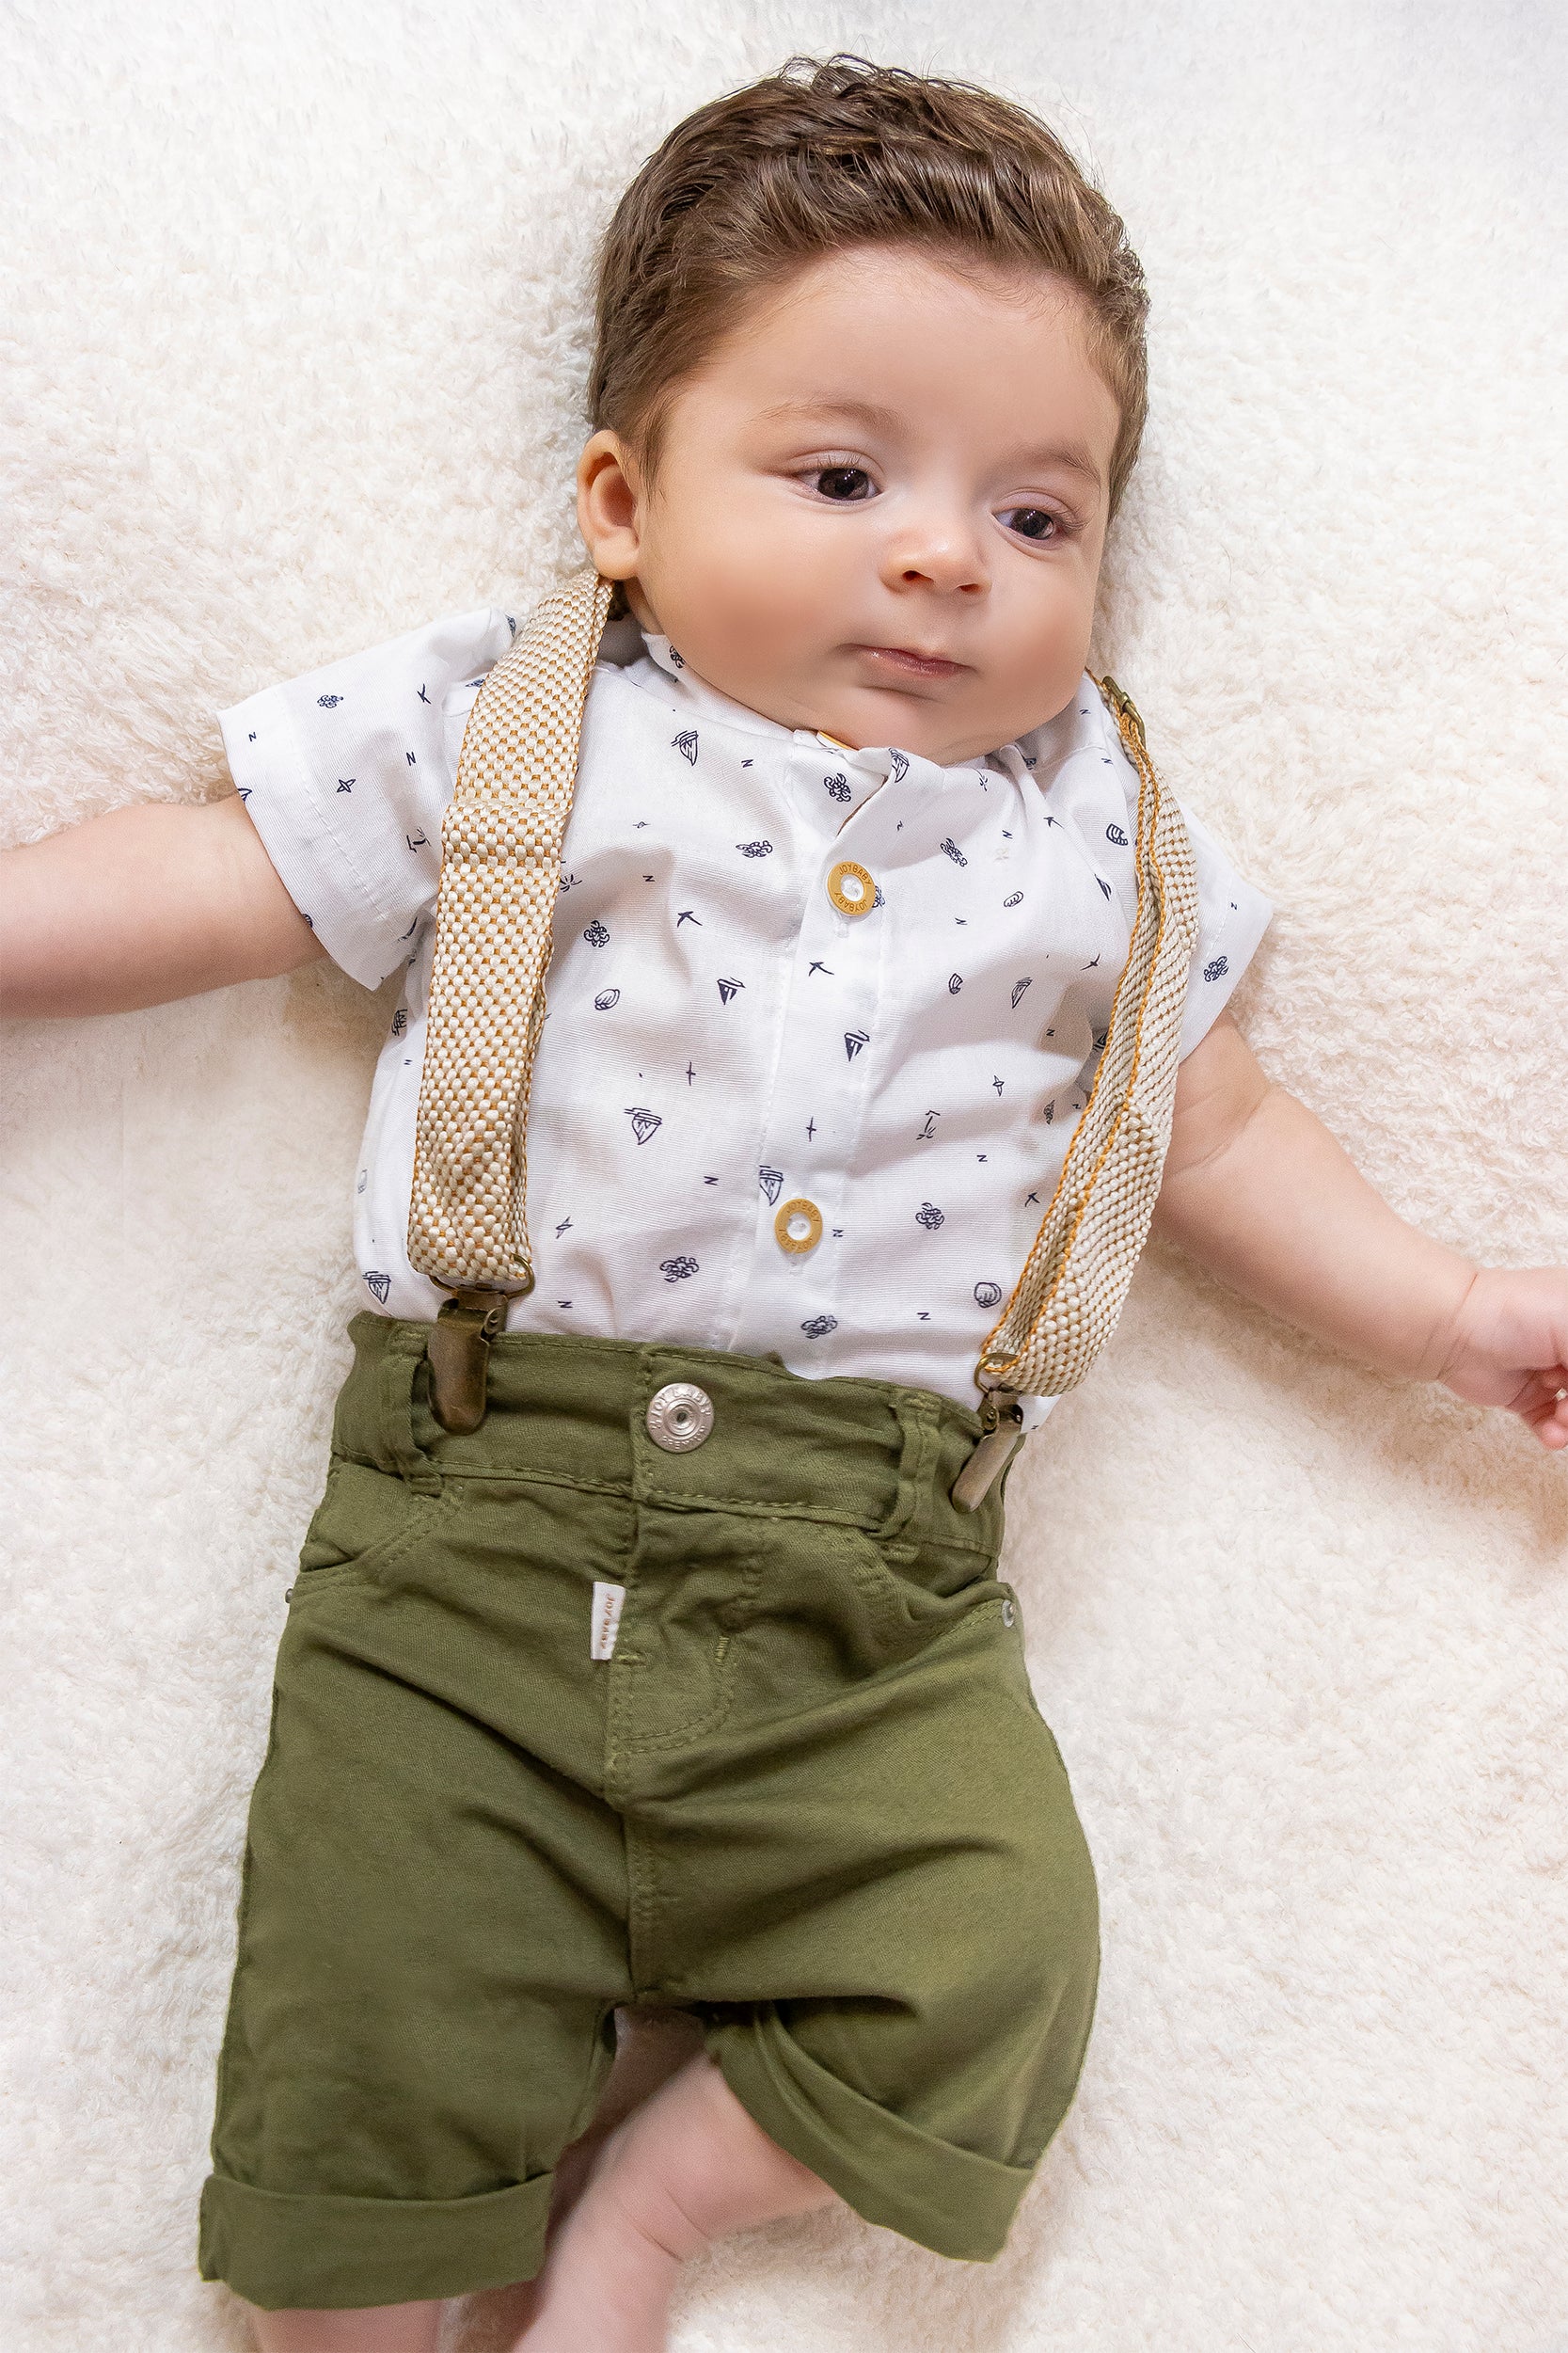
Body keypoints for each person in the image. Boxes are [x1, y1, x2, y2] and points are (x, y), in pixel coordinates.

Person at [4, 53, 1564, 2353]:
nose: (947, 552)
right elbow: (226, 876)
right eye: (844, 476)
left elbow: (1208, 1127)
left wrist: (1445, 1314)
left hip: (883, 1598)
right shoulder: (522, 717)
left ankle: (646, 2218)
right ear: (623, 501)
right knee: (371, 2023)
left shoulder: (1105, 837)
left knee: (995, 1963)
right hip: (473, 1551)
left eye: (1042, 518)